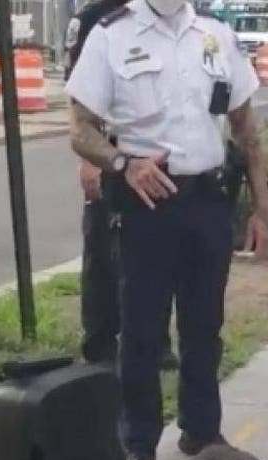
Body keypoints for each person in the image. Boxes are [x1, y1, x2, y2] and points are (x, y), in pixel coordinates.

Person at [66, 0, 268, 460]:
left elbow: (245, 128)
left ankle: (201, 432)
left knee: (205, 326)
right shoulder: (111, 35)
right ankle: (138, 442)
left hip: (208, 198)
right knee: (141, 330)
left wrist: (263, 207)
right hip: (145, 201)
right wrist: (122, 163)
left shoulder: (216, 36)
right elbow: (80, 128)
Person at [65, 0, 177, 368]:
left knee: (158, 256)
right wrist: (89, 163)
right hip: (110, 155)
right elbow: (79, 100)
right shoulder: (94, 20)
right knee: (102, 251)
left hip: (157, 160)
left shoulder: (169, 14)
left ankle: (156, 342)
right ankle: (99, 343)